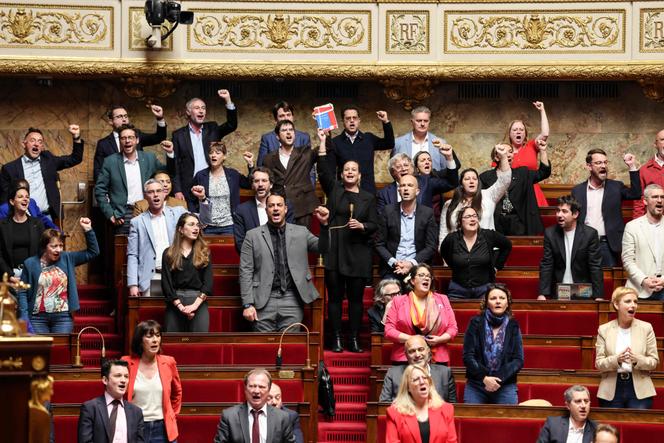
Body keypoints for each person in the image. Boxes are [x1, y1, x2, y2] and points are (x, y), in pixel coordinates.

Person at [317, 130, 378, 353]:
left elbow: (375, 225)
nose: (350, 172)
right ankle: (336, 339)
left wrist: (362, 226)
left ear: (360, 175)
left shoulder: (369, 198)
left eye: (354, 170)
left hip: (359, 254)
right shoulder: (334, 192)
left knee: (355, 301)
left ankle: (353, 338)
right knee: (334, 300)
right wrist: (323, 142)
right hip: (335, 252)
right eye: (346, 170)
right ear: (341, 175)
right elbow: (323, 171)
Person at [239, 193, 328, 332]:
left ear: (285, 209)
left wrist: (324, 225)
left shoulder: (301, 232)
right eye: (271, 205)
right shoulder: (252, 236)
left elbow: (323, 247)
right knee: (265, 346)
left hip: (291, 298)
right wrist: (247, 304)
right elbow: (245, 271)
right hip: (262, 300)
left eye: (279, 205)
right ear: (266, 210)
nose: (275, 208)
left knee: (289, 345)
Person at [17, 217, 99, 334]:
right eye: (54, 246)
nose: (58, 250)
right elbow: (23, 292)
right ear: (44, 247)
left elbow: (93, 252)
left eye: (60, 246)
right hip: (37, 318)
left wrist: (88, 230)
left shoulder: (67, 258)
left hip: (63, 317)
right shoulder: (30, 263)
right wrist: (24, 316)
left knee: (61, 349)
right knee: (40, 351)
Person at [95, 124, 173, 233]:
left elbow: (169, 172)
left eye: (130, 137)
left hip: (147, 209)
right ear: (120, 141)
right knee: (125, 249)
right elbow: (99, 190)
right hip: (123, 214)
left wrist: (170, 153)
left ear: (137, 140)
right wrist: (110, 214)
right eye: (123, 138)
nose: (127, 141)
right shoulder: (110, 162)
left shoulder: (149, 158)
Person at [571, 148, 641, 267]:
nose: (603, 166)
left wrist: (632, 166)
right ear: (589, 166)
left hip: (608, 245)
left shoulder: (616, 187)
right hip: (584, 244)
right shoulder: (577, 191)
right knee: (584, 283)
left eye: (605, 162)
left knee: (608, 282)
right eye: (598, 163)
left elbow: (636, 194)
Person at [0, 125, 83, 221]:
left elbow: (75, 158)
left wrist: (76, 137)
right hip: (23, 219)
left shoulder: (49, 161)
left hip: (48, 217)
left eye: (40, 141)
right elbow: (4, 200)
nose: (36, 144)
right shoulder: (10, 169)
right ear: (24, 144)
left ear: (42, 146)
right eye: (32, 140)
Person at [171, 90, 238, 207]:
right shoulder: (178, 135)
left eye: (203, 108)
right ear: (188, 112)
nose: (201, 110)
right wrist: (177, 190)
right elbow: (174, 164)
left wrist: (228, 100)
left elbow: (231, 124)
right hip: (189, 188)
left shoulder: (212, 128)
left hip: (212, 184)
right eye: (197, 108)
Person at [595, 287, 659, 409]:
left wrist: (637, 360)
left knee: (638, 426)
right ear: (616, 304)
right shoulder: (604, 329)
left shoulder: (646, 328)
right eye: (628, 301)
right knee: (611, 427)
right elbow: (599, 363)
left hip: (639, 389)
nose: (633, 305)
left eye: (635, 302)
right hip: (611, 388)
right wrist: (616, 360)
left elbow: (654, 361)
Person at [438, 144, 511, 248]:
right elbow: (443, 234)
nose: (471, 181)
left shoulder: (489, 196)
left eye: (474, 178)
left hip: (486, 253)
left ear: (478, 182)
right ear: (461, 184)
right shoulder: (449, 204)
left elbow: (505, 180)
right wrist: (446, 258)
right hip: (458, 254)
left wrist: (503, 157)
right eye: (467, 179)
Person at [384, 264, 458, 365]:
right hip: (405, 357)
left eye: (429, 276)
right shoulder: (398, 301)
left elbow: (453, 328)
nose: (426, 278)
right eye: (422, 275)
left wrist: (440, 339)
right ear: (412, 280)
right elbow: (389, 331)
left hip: (436, 357)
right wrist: (413, 339)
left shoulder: (443, 299)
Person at [462, 283, 524, 404]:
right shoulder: (475, 323)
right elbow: (468, 356)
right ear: (486, 303)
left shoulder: (513, 325)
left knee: (508, 421)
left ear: (507, 302)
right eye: (493, 298)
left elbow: (518, 360)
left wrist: (497, 379)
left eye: (502, 298)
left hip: (505, 385)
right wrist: (484, 378)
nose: (498, 301)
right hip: (477, 384)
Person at [122, 320, 182, 443]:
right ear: (140, 341)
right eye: (149, 336)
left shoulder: (169, 362)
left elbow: (177, 393)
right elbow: (118, 394)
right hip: (136, 426)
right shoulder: (126, 363)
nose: (155, 340)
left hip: (163, 428)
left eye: (158, 335)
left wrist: (171, 415)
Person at [127, 179, 187, 298]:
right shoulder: (137, 222)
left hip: (176, 275)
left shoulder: (178, 213)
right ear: (145, 196)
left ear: (164, 194)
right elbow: (132, 254)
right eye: (151, 192)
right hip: (151, 277)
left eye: (159, 191)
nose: (155, 195)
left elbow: (202, 222)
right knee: (151, 315)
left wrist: (203, 200)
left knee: (176, 314)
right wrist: (132, 284)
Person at [538, 195, 603, 300]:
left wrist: (598, 296)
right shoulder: (550, 233)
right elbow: (547, 264)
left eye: (564, 211)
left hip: (582, 290)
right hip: (559, 290)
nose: (559, 215)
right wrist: (543, 293)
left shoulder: (590, 234)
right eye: (558, 211)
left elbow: (595, 266)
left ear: (575, 214)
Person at [480, 140, 551, 236]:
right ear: (496, 157)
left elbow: (543, 172)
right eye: (504, 151)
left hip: (520, 222)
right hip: (496, 222)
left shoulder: (523, 173)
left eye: (510, 151)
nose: (508, 154)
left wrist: (542, 151)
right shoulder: (485, 177)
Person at [440, 207, 512, 299]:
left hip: (484, 289)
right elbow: (444, 252)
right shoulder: (452, 239)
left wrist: (497, 266)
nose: (473, 219)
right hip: (458, 290)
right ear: (460, 221)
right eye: (468, 216)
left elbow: (507, 245)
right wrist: (456, 265)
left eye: (475, 216)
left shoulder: (488, 235)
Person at [375, 174, 438, 279]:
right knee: (390, 290)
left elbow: (431, 246)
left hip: (418, 268)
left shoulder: (427, 213)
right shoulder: (388, 211)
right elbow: (379, 244)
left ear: (417, 191)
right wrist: (394, 262)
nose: (406, 189)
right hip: (392, 268)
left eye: (410, 185)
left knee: (419, 291)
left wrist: (411, 263)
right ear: (399, 190)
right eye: (403, 186)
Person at [213, 368, 295, 443]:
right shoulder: (229, 416)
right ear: (245, 388)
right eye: (252, 386)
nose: (256, 391)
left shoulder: (282, 417)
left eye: (262, 387)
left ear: (269, 390)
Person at [262, 120, 320, 227]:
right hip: (281, 208)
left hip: (303, 207)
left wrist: (325, 137)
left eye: (291, 130)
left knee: (302, 241)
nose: (289, 132)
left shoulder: (305, 153)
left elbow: (325, 149)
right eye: (284, 130)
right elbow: (264, 179)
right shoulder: (269, 158)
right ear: (277, 137)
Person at [161, 213, 212, 332]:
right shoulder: (168, 253)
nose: (196, 228)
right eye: (191, 224)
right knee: (173, 344)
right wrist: (180, 307)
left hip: (198, 301)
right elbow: (166, 284)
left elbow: (208, 284)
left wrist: (194, 306)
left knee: (199, 344)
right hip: (175, 302)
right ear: (181, 229)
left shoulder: (205, 252)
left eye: (197, 225)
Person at [191, 141, 254, 234]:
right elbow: (191, 198)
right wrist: (196, 217)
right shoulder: (201, 175)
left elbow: (250, 185)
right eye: (211, 153)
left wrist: (250, 165)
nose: (213, 155)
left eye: (217, 153)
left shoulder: (233, 174)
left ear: (224, 156)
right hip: (207, 226)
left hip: (229, 225)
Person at [328, 107, 394, 194]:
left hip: (368, 192)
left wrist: (385, 122)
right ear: (343, 121)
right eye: (348, 118)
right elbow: (330, 171)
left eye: (354, 118)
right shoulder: (335, 142)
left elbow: (389, 143)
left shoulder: (368, 138)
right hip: (344, 193)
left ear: (359, 120)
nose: (352, 121)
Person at [385, 364, 457, 443]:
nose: (422, 382)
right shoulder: (394, 413)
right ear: (408, 387)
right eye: (416, 379)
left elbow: (451, 441)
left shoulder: (446, 409)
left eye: (425, 378)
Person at [94, 104, 168, 180]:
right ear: (110, 121)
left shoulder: (137, 135)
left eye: (125, 116)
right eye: (119, 116)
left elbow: (160, 137)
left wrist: (160, 118)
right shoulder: (103, 144)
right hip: (115, 189)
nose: (124, 119)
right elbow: (98, 171)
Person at [78, 359, 145, 443]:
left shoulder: (136, 412)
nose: (123, 380)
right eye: (118, 375)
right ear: (105, 380)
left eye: (126, 376)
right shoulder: (90, 408)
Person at [232, 167, 294, 254]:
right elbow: (240, 243)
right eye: (256, 181)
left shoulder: (285, 205)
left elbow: (290, 237)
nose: (260, 184)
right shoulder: (242, 210)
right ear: (252, 185)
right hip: (255, 262)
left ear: (271, 184)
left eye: (264, 180)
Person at [380, 335, 457, 403]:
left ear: (428, 351)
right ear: (406, 355)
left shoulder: (445, 373)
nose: (417, 355)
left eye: (421, 349)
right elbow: (384, 406)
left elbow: (453, 407)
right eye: (412, 351)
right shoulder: (393, 374)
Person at [621, 184, 664, 300]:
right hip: (639, 290)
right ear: (645, 201)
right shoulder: (632, 227)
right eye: (655, 197)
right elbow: (628, 260)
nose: (660, 200)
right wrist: (644, 280)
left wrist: (663, 280)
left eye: (662, 197)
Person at [503, 101, 550, 207]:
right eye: (515, 130)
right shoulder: (504, 151)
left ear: (525, 134)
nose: (518, 132)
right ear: (510, 134)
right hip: (513, 193)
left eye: (521, 130)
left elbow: (545, 134)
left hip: (533, 192)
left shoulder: (531, 146)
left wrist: (542, 110)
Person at [0, 181, 45, 281]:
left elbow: (42, 251)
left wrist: (34, 273)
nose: (25, 199)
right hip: (10, 276)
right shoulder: (2, 225)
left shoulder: (37, 224)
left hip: (32, 275)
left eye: (27, 197)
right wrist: (10, 276)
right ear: (12, 201)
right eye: (20, 197)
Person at [393, 105, 452, 171]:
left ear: (429, 122)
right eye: (419, 120)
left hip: (433, 180)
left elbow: (445, 169)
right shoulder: (398, 143)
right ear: (412, 122)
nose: (422, 124)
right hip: (408, 180)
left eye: (426, 121)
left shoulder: (440, 143)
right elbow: (394, 169)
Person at [257, 101, 311, 167]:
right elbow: (261, 166)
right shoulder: (267, 138)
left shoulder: (304, 138)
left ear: (292, 117)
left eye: (288, 115)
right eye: (281, 116)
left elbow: (309, 166)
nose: (286, 118)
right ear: (275, 119)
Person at [634, 129, 664, 217]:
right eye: (663, 140)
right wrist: (638, 226)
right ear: (655, 144)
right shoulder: (644, 170)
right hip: (654, 222)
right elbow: (639, 202)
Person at [28, 375, 54, 443]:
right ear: (41, 391)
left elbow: (50, 437)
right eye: (50, 389)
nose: (52, 393)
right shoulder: (39, 414)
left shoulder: (47, 406)